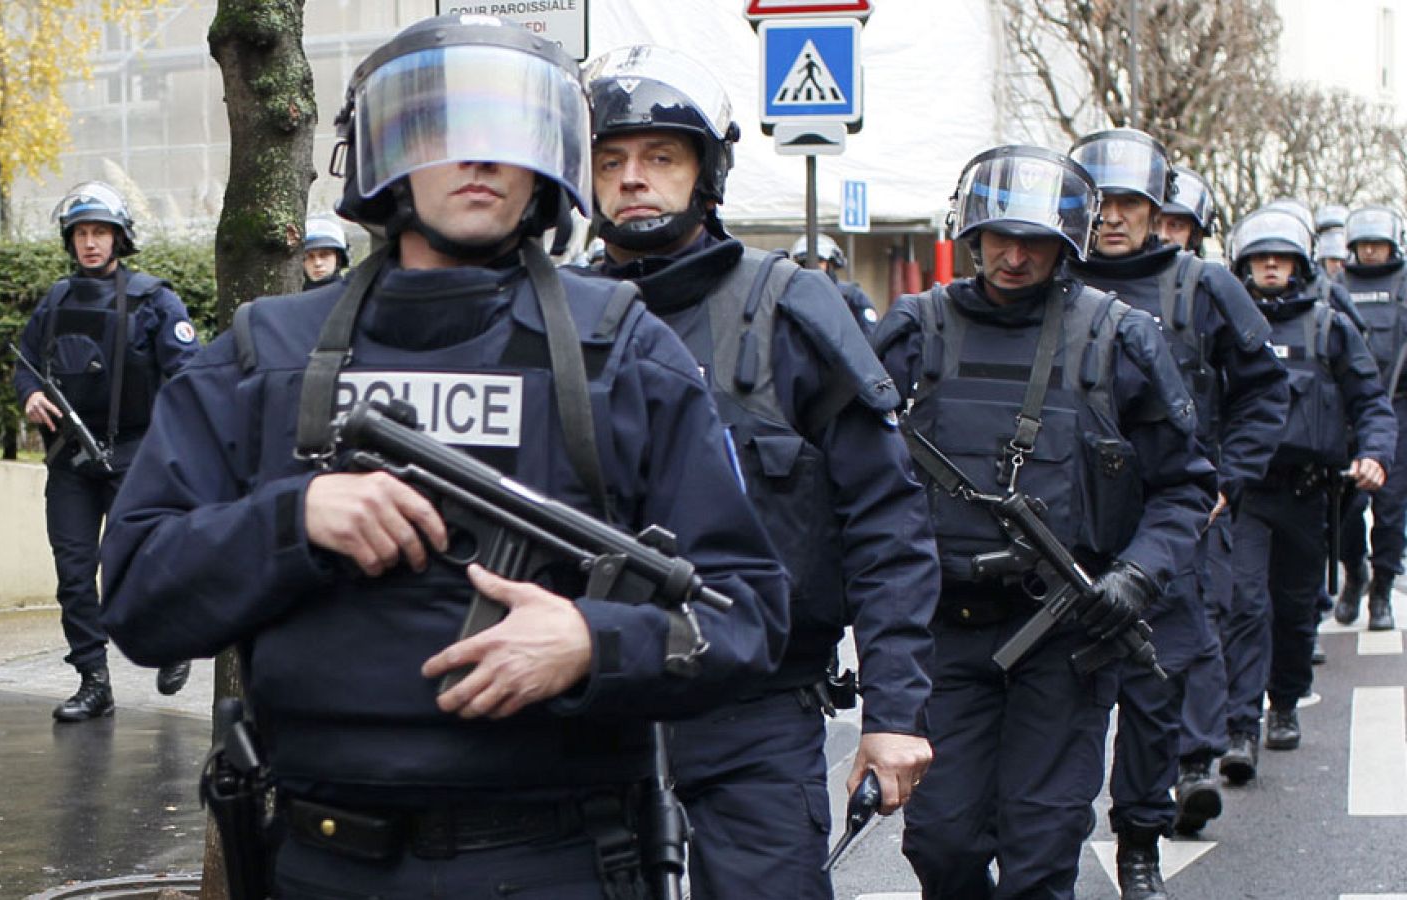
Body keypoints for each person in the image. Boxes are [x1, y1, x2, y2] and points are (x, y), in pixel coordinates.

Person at [99, 15, 790, 899]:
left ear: (547, 159)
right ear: (387, 154)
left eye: (508, 133)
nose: (478, 159)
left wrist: (592, 641)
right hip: (321, 859)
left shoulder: (621, 351)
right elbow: (135, 596)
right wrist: (293, 522)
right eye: (442, 130)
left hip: (559, 858)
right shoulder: (265, 354)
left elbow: (746, 613)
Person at [583, 44, 939, 899]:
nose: (633, 179)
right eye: (610, 160)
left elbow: (887, 522)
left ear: (707, 173)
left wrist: (893, 716)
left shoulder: (791, 310)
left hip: (755, 712)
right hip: (589, 715)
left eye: (660, 157)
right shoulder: (558, 317)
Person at [874, 145, 1215, 900]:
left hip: (1064, 642)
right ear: (971, 235)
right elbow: (856, 478)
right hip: (948, 634)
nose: (1015, 256)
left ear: (1067, 245)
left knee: (1042, 849)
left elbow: (1185, 486)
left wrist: (1135, 576)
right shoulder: (914, 334)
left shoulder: (1117, 339)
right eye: (1001, 237)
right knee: (941, 845)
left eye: (1036, 242)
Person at [1069, 129, 1287, 879]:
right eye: (1098, 203)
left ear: (1157, 209)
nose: (1111, 219)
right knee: (1053, 703)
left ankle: (1138, 848)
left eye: (1128, 203)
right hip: (1061, 530)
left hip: (1166, 526)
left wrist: (1225, 480)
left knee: (1156, 696)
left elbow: (1263, 389)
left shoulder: (1201, 284)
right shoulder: (1048, 280)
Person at [12, 181, 199, 722]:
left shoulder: (154, 299)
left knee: (143, 559)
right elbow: (25, 364)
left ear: (120, 238)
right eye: (81, 234)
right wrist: (30, 397)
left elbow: (188, 375)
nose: (90, 243)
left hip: (136, 453)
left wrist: (173, 447)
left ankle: (172, 640)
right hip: (71, 460)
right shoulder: (56, 300)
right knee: (73, 572)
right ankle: (94, 681)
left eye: (100, 232)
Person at [1220, 206, 1393, 777]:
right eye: (1261, 256)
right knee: (1244, 605)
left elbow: (1369, 399)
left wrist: (1374, 453)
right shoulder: (1225, 322)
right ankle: (1240, 726)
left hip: (1308, 491)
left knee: (1295, 612)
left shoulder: (1328, 326)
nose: (1271, 265)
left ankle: (1285, 702)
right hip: (1244, 493)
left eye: (1282, 256)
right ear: (1245, 263)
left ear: (1297, 263)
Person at [1335, 204, 1407, 631]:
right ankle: (1353, 572)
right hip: (1349, 409)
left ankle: (1381, 589)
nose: (1373, 251)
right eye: (1365, 244)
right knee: (1345, 507)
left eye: (1379, 244)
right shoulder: (1337, 285)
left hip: (1398, 406)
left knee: (1391, 507)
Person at [790, 231, 880, 337]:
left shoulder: (851, 296)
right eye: (805, 261)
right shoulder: (792, 296)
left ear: (831, 263)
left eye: (820, 260)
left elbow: (870, 333)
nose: (813, 265)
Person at [1155, 165, 1216, 255]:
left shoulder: (1210, 269)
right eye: (1154, 224)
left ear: (1195, 235)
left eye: (1176, 225)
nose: (1162, 236)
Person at [301, 216, 350, 289]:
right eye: (309, 256)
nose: (318, 263)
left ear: (338, 258)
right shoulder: (291, 296)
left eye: (324, 255)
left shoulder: (355, 294)